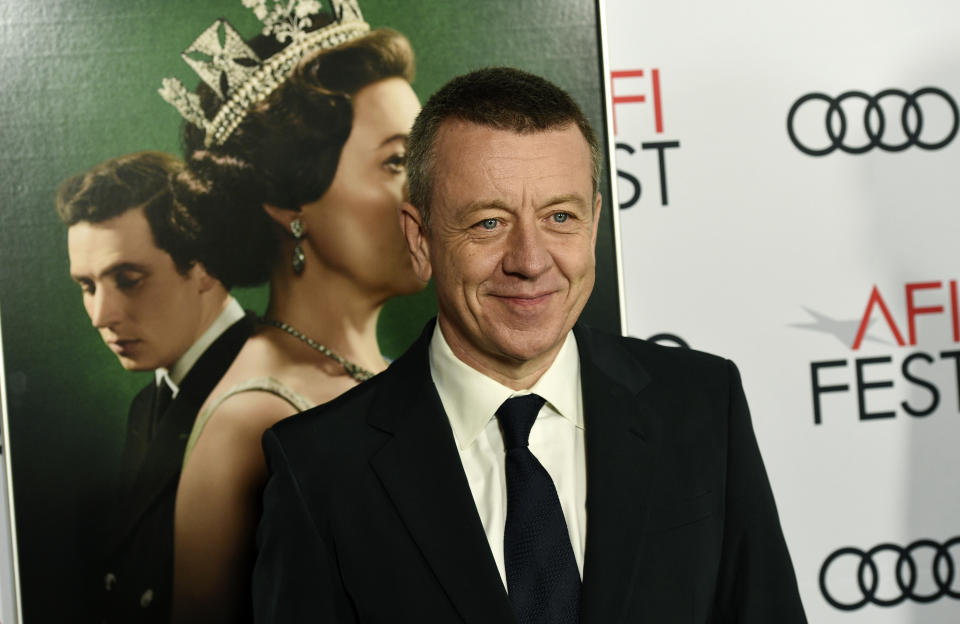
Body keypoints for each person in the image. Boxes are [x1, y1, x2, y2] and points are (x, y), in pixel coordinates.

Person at [251, 67, 808, 623]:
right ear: (420, 241)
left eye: (560, 217)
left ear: (593, 226)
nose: (530, 261)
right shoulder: (318, 471)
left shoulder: (703, 406)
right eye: (489, 223)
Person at [158, 2, 425, 621]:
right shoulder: (249, 421)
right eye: (395, 161)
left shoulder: (389, 371)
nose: (430, 188)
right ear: (287, 201)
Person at [56, 150, 254, 624]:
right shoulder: (150, 402)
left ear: (204, 264)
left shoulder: (264, 391)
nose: (102, 317)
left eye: (128, 280)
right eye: (87, 287)